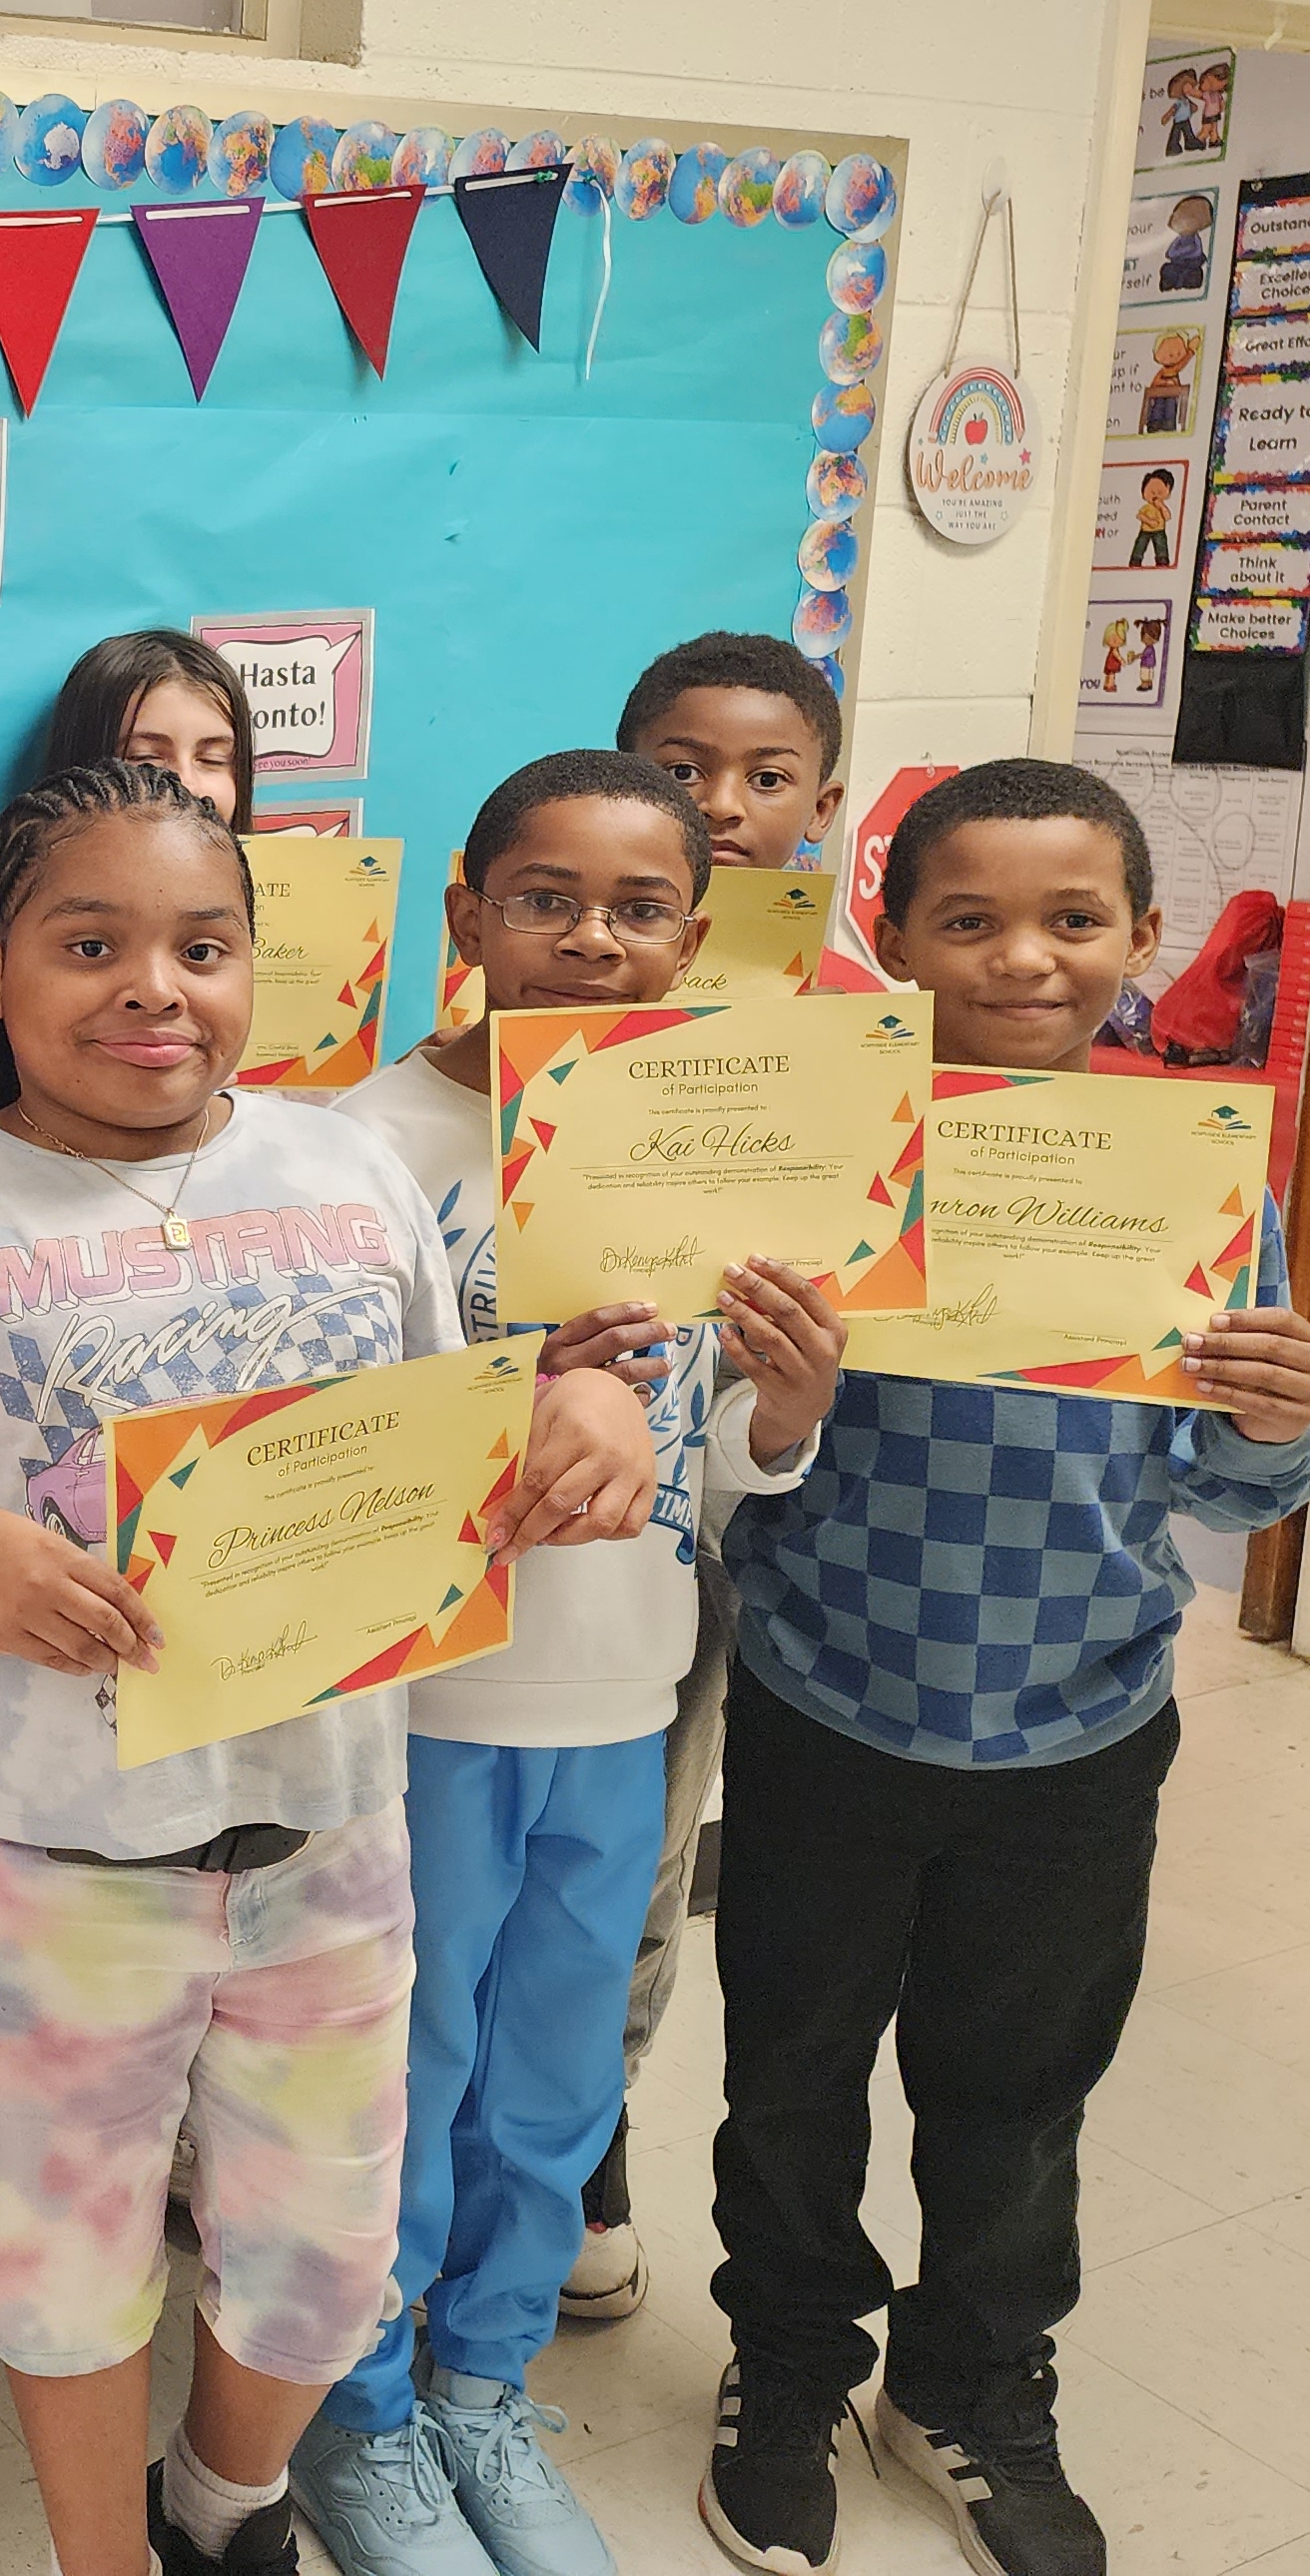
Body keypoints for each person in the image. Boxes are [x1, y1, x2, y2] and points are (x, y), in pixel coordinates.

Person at [0, 762, 658, 2576]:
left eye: (203, 946)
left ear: (257, 967)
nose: (155, 987)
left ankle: (223, 2513)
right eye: (91, 944)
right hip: (49, 1866)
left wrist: (585, 1408)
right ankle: (104, 2560)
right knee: (65, 2274)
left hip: (328, 1835)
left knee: (322, 2272)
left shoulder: (350, 1167)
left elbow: (471, 1408)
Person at [700, 761, 1310, 2576]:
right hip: (833, 1706)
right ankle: (794, 2352)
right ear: (889, 941)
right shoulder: (827, 1167)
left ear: (1142, 941)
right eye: (966, 920)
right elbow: (741, 1461)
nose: (1022, 960)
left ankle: (971, 2383)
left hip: (1080, 1727)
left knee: (1020, 2088)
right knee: (794, 2068)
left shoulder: (1199, 1189)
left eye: (1074, 921)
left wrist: (1282, 1428)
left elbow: (1219, 1477)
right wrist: (786, 1402)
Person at [286, 754, 840, 2576]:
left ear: (696, 935)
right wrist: (505, 1390)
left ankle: (481, 2390)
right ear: (468, 918)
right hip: (427, 1709)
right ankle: (358, 2421)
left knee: (553, 2083)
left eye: (638, 910)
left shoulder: (712, 1134)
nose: (595, 938)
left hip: (625, 1689)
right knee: (403, 2076)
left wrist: (792, 1413)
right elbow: (312, 1456)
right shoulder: (358, 1148)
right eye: (549, 899)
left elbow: (736, 1456)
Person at [574, 632, 870, 2323]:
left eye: (768, 780)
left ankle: (591, 2128)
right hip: (586, 1509)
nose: (725, 808)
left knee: (657, 1840)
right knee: (549, 1834)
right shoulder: (556, 979)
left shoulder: (866, 1029)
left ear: (822, 807)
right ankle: (510, 2144)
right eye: (682, 769)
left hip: (782, 1495)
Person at [0, 628, 260, 1137]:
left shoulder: (305, 935)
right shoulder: (2, 960)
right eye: (146, 759)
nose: (185, 782)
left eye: (212, 759)